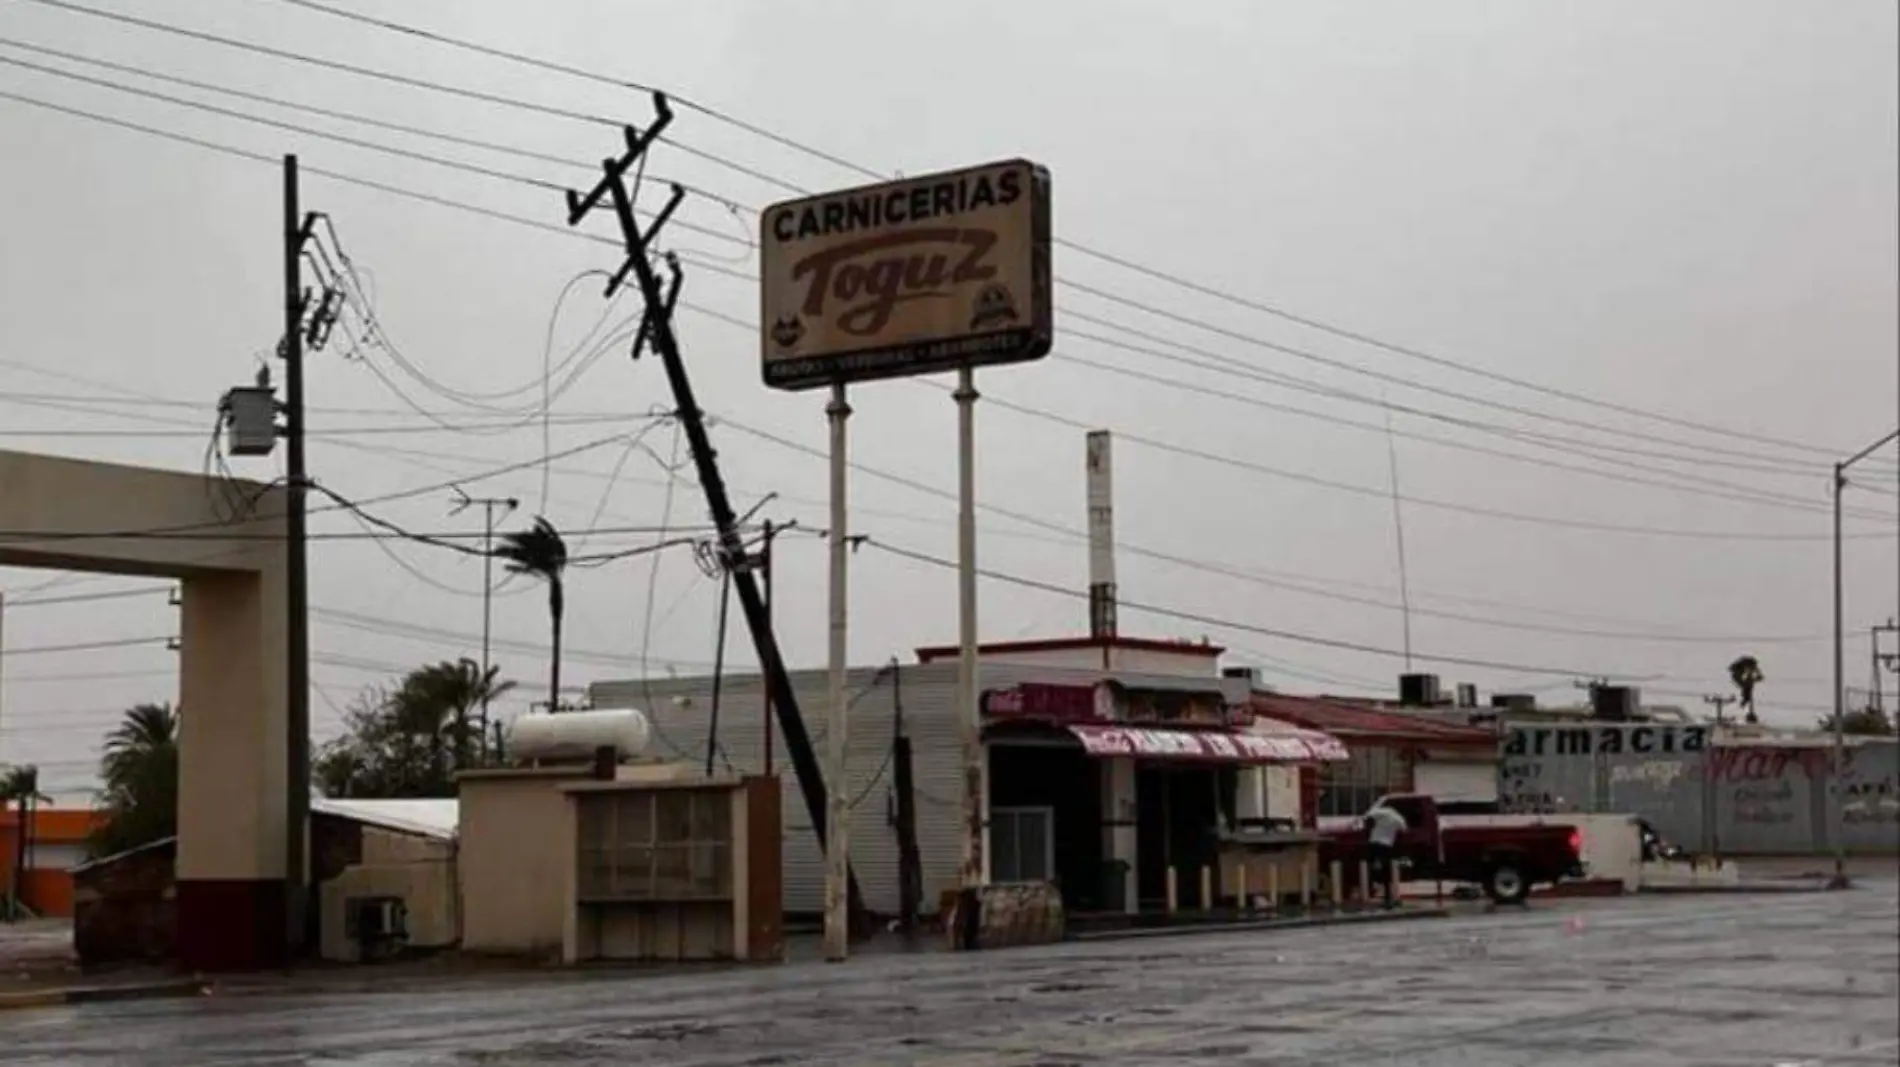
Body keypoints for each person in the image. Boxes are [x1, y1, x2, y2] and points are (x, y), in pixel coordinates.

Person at [1363, 803, 1408, 906]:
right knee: (1386, 871)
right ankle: (1387, 896)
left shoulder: (1384, 812)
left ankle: (1372, 885)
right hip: (1387, 845)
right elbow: (1404, 830)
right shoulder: (1399, 819)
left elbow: (1368, 816)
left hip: (1374, 842)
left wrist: (1369, 828)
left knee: (1369, 866)